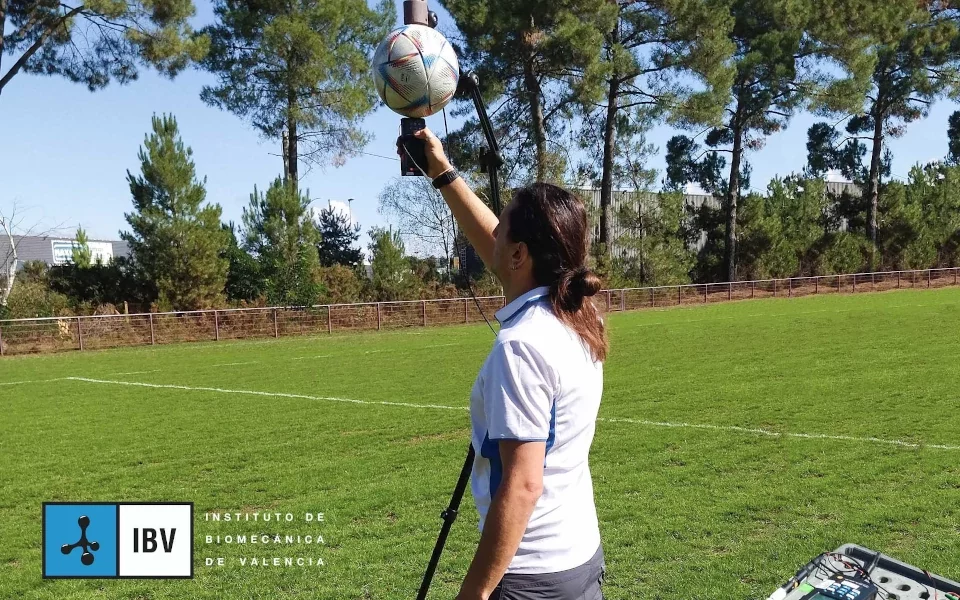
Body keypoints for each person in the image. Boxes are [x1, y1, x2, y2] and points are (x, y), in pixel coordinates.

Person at [402, 128, 609, 600]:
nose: (492, 233)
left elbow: (522, 486)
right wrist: (442, 170)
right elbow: (492, 239)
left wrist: (472, 596)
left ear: (519, 254)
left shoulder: (522, 346)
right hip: (578, 559)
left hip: (530, 580)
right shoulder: (579, 313)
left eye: (504, 230)